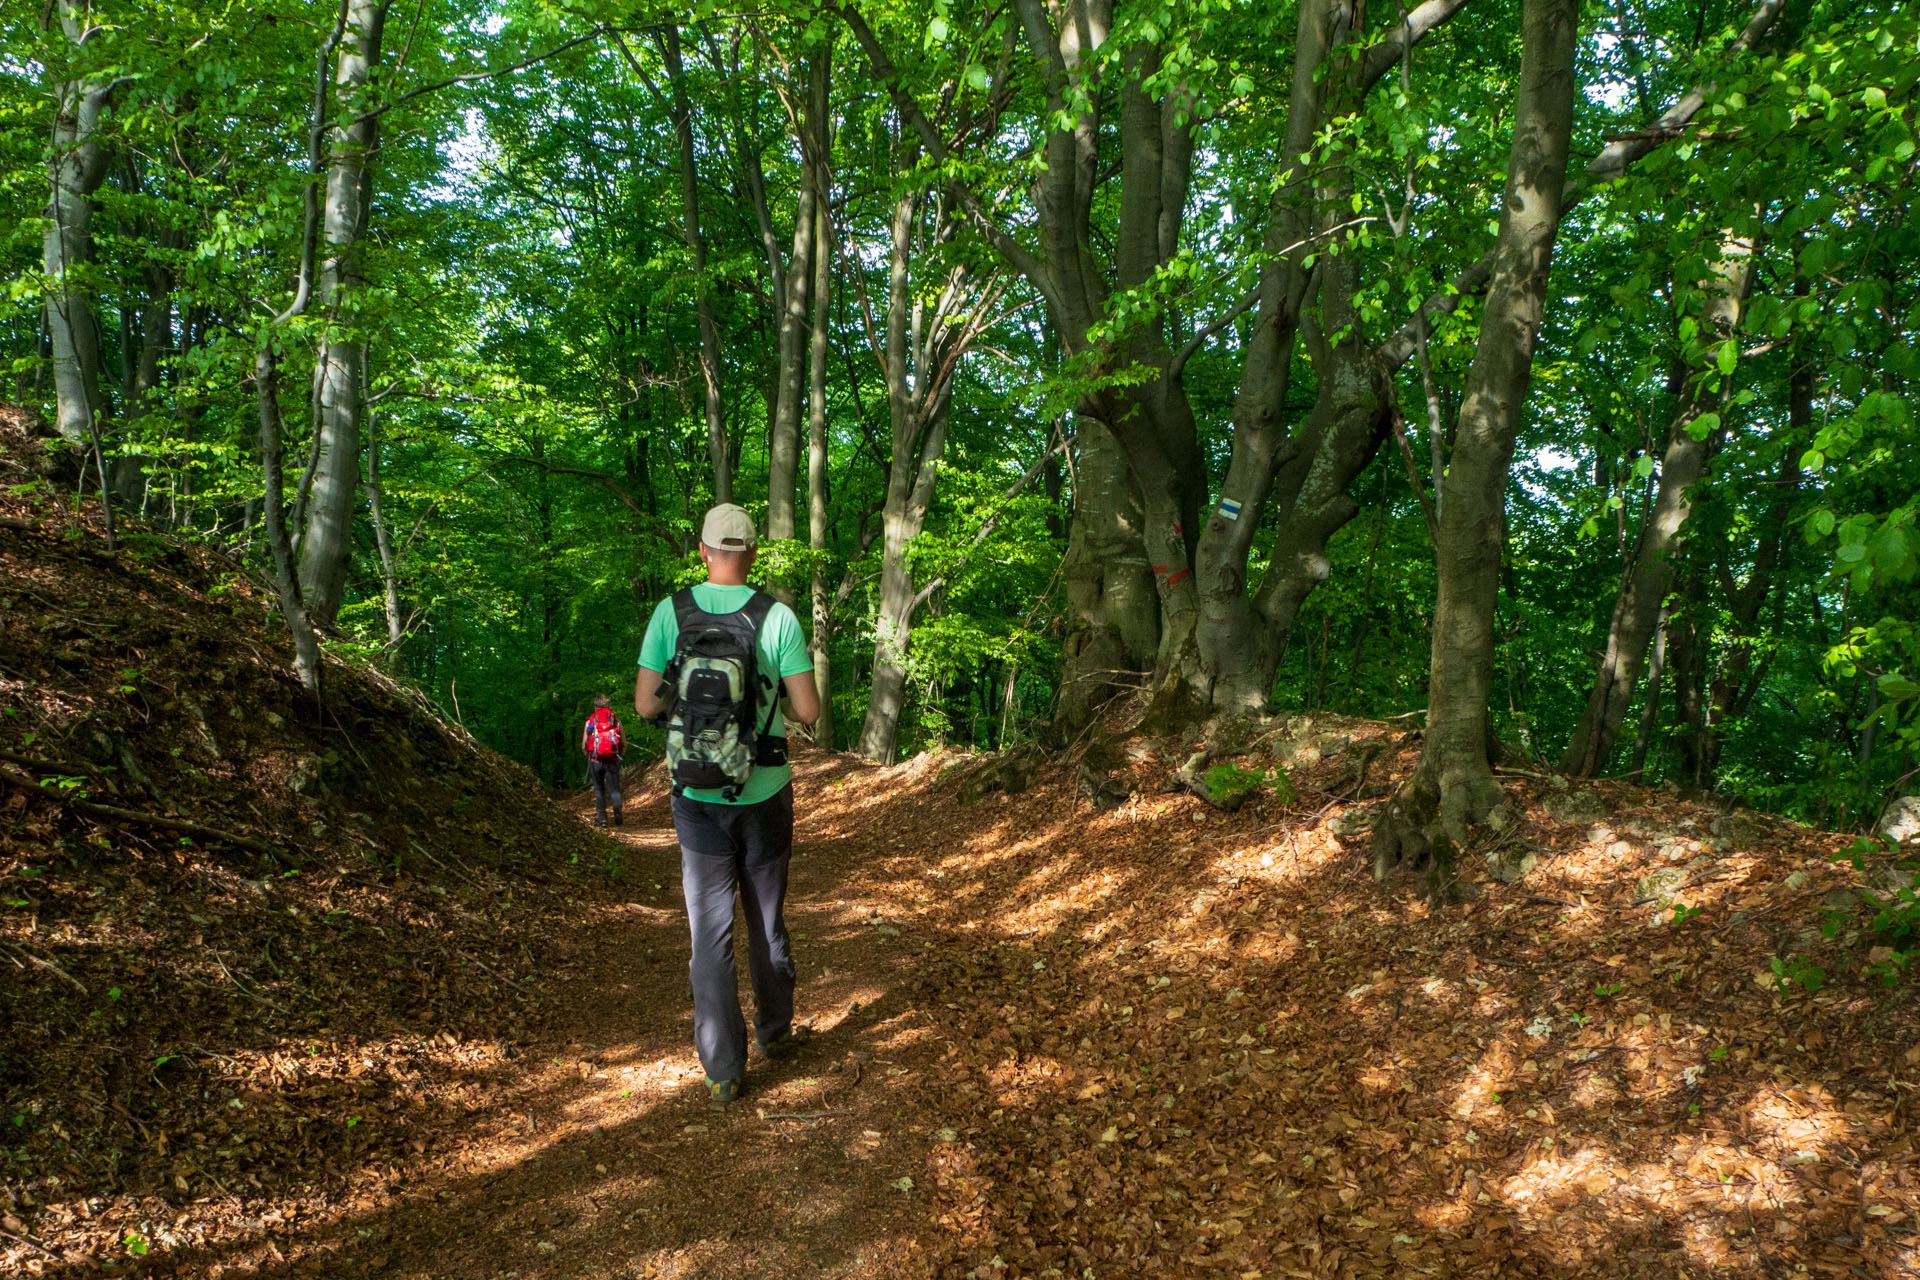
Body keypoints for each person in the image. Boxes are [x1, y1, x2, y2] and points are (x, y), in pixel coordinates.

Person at [635, 503, 821, 1103]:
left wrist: (686, 714)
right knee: (765, 919)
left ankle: (722, 1068)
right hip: (764, 790)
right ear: (754, 554)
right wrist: (776, 706)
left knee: (708, 932)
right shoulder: (779, 618)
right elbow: (809, 712)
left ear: (704, 552)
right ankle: (774, 1031)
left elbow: (642, 705)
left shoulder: (671, 612)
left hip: (694, 797)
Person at [580, 694, 625, 827]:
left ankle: (603, 819)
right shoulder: (616, 721)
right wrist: (619, 756)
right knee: (614, 788)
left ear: (595, 707)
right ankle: (617, 809)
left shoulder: (589, 723)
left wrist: (590, 757)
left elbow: (583, 746)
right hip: (612, 760)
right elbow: (624, 743)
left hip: (595, 761)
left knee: (599, 789)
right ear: (608, 706)